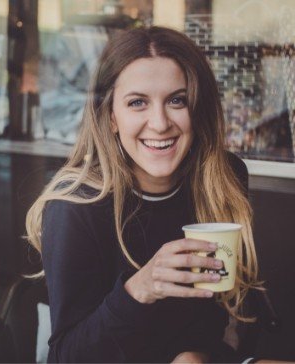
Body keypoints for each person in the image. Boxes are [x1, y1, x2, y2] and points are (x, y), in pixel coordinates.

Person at [26, 26, 262, 363]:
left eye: (177, 100)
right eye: (138, 103)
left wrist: (195, 354)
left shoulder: (223, 178)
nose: (160, 122)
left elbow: (226, 317)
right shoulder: (76, 206)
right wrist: (140, 289)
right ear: (111, 118)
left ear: (197, 108)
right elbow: (67, 356)